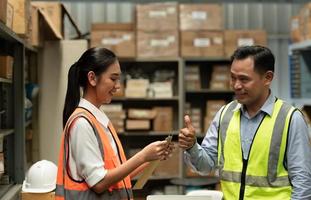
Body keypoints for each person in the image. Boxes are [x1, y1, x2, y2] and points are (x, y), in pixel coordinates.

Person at [179, 45, 311, 200]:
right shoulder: (225, 115)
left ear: (267, 78)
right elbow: (205, 167)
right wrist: (192, 146)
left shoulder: (290, 119)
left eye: (244, 79)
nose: (236, 85)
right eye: (233, 77)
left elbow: (302, 182)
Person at [55, 47, 174, 200]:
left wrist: (151, 157)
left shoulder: (97, 119)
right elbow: (99, 182)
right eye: (113, 78)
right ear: (92, 78)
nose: (118, 86)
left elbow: (117, 176)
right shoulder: (82, 124)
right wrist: (142, 156)